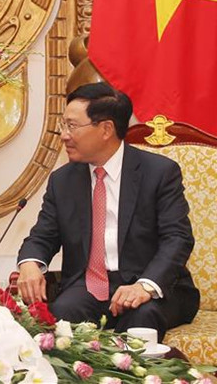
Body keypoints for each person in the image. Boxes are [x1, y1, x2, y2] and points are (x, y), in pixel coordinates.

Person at [17, 82, 199, 340]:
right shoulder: (63, 180)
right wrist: (30, 264)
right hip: (88, 287)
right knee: (59, 318)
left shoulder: (159, 173)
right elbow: (42, 236)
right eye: (63, 125)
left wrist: (144, 286)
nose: (64, 135)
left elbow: (177, 238)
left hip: (148, 285)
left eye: (72, 126)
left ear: (106, 129)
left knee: (141, 319)